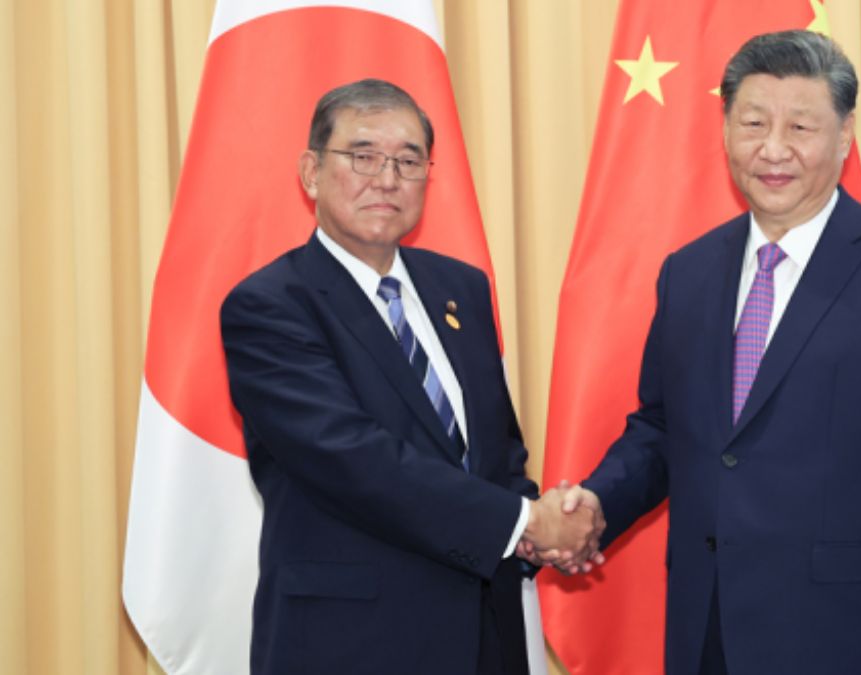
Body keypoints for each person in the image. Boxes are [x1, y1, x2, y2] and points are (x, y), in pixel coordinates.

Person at [553, 31, 861, 674]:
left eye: (801, 127)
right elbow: (665, 428)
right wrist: (596, 504)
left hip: (850, 636)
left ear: (844, 136)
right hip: (709, 631)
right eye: (753, 123)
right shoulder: (690, 271)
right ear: (726, 128)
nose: (774, 149)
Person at [220, 79, 598, 675]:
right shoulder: (270, 305)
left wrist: (536, 533)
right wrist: (525, 523)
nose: (387, 178)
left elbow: (497, 454)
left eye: (408, 160)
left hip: (484, 638)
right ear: (312, 172)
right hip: (351, 645)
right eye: (363, 156)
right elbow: (352, 459)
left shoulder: (461, 289)